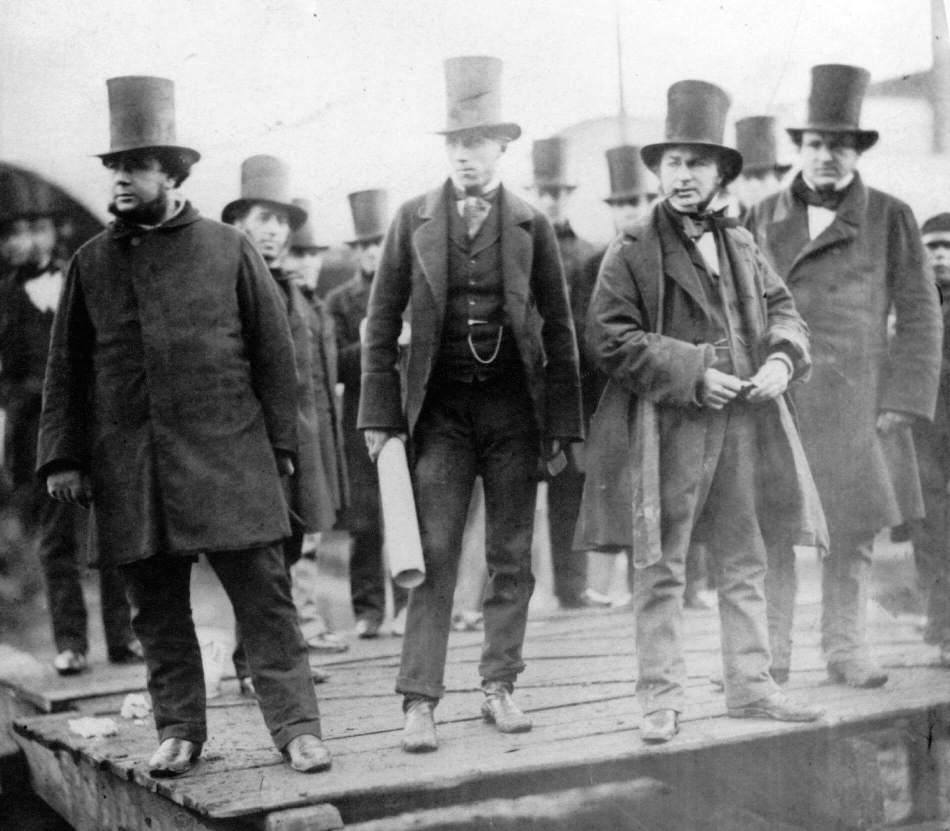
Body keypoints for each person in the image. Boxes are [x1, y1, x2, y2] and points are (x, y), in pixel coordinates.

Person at [37, 77, 330, 776]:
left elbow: (274, 355)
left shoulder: (228, 249)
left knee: (266, 599)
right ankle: (179, 730)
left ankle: (297, 728)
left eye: (134, 167)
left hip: (229, 457)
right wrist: (64, 458)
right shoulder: (92, 263)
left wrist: (281, 447)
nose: (120, 181)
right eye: (114, 168)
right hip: (131, 466)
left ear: (170, 173)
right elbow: (66, 371)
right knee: (156, 611)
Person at [576, 79, 826, 744]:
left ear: (721, 172)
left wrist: (780, 359)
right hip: (669, 429)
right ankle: (659, 697)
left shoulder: (740, 243)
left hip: (744, 423)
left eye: (698, 163)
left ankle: (751, 686)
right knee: (662, 563)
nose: (683, 176)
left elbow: (783, 311)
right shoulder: (631, 249)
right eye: (673, 163)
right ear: (658, 170)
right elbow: (609, 338)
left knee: (746, 555)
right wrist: (693, 371)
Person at [359, 55, 583, 753]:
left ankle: (499, 686)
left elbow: (560, 326)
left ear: (502, 147)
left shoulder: (532, 224)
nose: (465, 155)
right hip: (443, 414)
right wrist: (379, 418)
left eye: (478, 142)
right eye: (454, 143)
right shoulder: (410, 220)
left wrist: (564, 425)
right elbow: (378, 322)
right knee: (433, 550)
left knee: (512, 552)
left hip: (515, 412)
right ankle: (419, 699)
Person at [746, 65, 943, 688]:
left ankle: (846, 649)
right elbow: (740, 307)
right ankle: (770, 654)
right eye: (815, 145)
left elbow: (919, 313)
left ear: (856, 152)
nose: (827, 158)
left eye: (840, 146)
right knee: (774, 528)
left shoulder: (890, 216)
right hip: (781, 397)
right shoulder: (758, 217)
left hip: (860, 403)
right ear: (797, 150)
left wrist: (904, 401)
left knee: (854, 529)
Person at [0, 187, 139, 675]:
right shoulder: (4, 298)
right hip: (40, 432)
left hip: (98, 423)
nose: (27, 242)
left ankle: (124, 638)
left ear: (56, 232)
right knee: (56, 541)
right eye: (14, 233)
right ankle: (72, 643)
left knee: (116, 529)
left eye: (36, 229)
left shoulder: (84, 280)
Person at [223, 156, 348, 685]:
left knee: (291, 548)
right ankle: (258, 665)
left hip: (305, 438)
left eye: (281, 222)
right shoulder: (229, 283)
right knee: (263, 557)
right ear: (239, 223)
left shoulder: (292, 287)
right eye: (262, 218)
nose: (273, 231)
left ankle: (273, 656)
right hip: (260, 444)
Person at [326, 189, 408, 638]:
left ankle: (409, 606)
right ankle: (368, 610)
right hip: (358, 419)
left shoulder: (407, 292)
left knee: (404, 514)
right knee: (364, 520)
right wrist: (378, 342)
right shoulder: (340, 301)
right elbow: (334, 361)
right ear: (355, 252)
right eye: (364, 246)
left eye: (379, 243)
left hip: (403, 416)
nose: (373, 253)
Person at [581, 146, 658, 608]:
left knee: (657, 481)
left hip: (654, 383)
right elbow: (585, 331)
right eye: (620, 204)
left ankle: (649, 584)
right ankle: (607, 588)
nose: (628, 211)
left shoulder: (661, 258)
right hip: (609, 389)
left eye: (635, 202)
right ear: (610, 211)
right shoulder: (592, 265)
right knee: (614, 485)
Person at [527, 137, 597, 610]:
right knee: (514, 487)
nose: (552, 200)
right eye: (544, 191)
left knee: (571, 485)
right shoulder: (516, 252)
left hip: (574, 388)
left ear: (570, 195)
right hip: (525, 388)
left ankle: (572, 588)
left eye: (559, 192)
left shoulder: (590, 255)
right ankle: (511, 593)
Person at [283, 197, 349, 654]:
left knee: (316, 530)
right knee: (299, 535)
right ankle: (302, 621)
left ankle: (308, 618)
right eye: (299, 253)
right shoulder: (280, 301)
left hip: (324, 431)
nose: (308, 263)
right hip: (298, 434)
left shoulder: (317, 305)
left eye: (313, 253)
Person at [907, 213, 950, 667]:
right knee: (931, 532)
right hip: (923, 437)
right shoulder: (912, 306)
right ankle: (942, 626)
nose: (939, 256)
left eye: (947, 247)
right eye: (932, 247)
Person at [731, 116, 791, 216]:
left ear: (778, 180)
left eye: (760, 176)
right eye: (747, 177)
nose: (754, 185)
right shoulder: (724, 230)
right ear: (735, 185)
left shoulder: (796, 226)